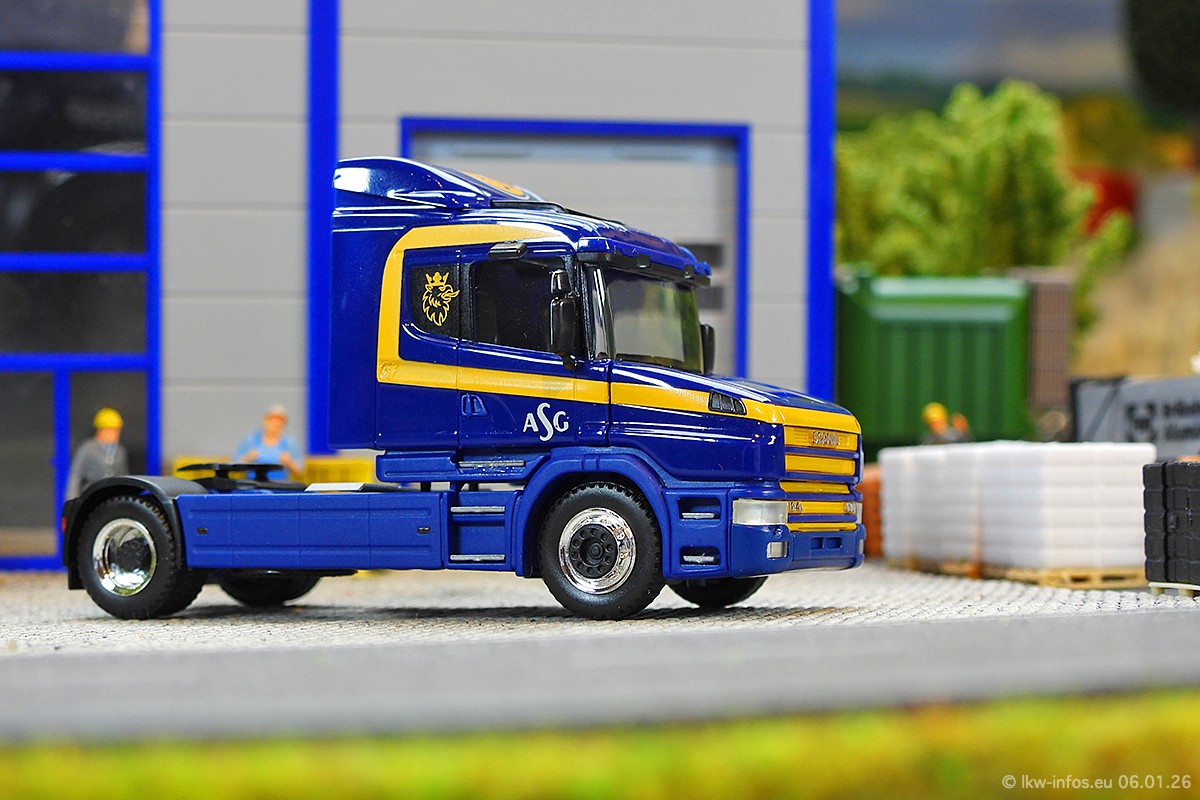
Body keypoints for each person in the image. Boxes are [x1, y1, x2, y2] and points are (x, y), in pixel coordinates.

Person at [67, 407, 129, 499]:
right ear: (101, 431)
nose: (116, 434)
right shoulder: (87, 448)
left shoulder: (120, 450)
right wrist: (72, 498)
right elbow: (76, 474)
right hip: (92, 493)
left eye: (117, 430)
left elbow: (124, 476)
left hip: (113, 496)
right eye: (111, 430)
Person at [233, 404, 304, 481]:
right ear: (265, 421)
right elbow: (234, 466)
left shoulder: (289, 442)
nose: (275, 424)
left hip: (280, 484)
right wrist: (247, 458)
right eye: (272, 420)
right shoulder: (251, 440)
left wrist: (290, 463)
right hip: (253, 483)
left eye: (279, 421)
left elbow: (300, 470)